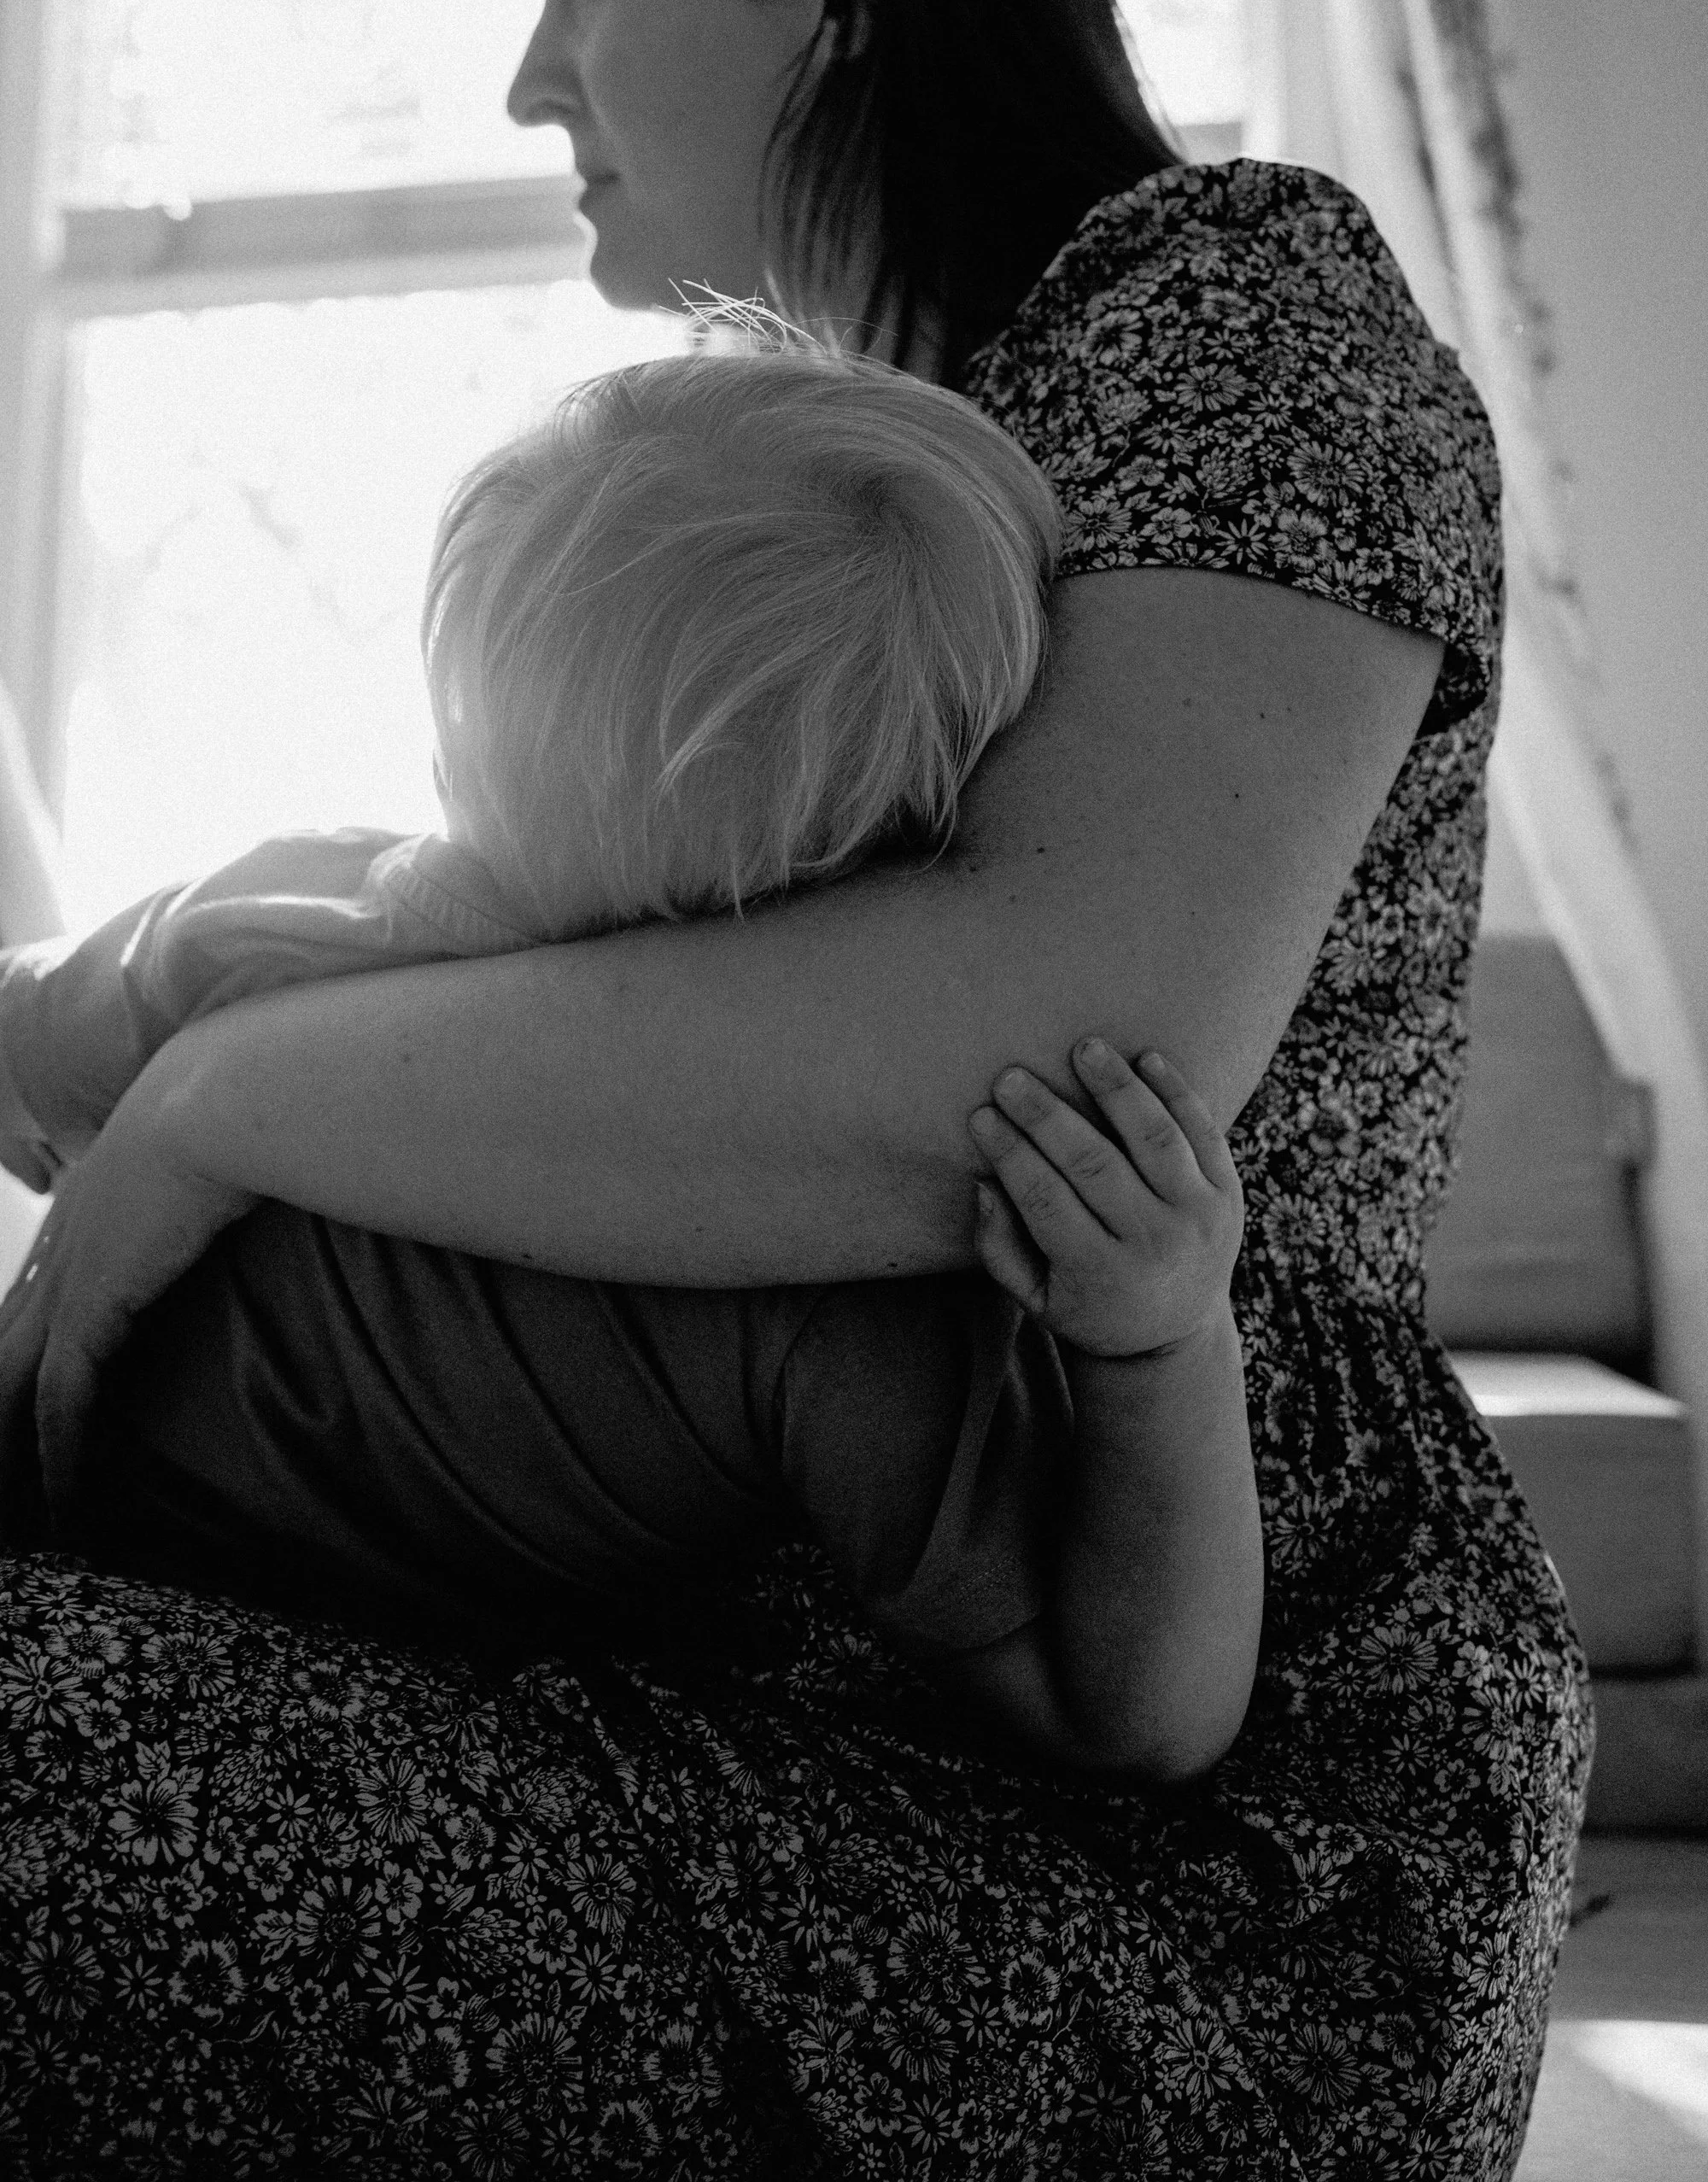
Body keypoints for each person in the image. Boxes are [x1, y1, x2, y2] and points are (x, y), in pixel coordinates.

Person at [0, 0, 1590, 2174]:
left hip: (1163, 1838)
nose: (529, 77)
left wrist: (223, 1102)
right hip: (719, 1680)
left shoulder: (1233, 308)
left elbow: (1037, 1055)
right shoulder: (809, 480)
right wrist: (184, 998)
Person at [0, 335, 1261, 1781]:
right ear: (938, 849)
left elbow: (21, 1039)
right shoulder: (854, 1290)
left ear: (460, 748)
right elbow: (1133, 1719)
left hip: (61, 1550)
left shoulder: (290, 912)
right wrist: (1162, 1346)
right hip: (319, 1739)